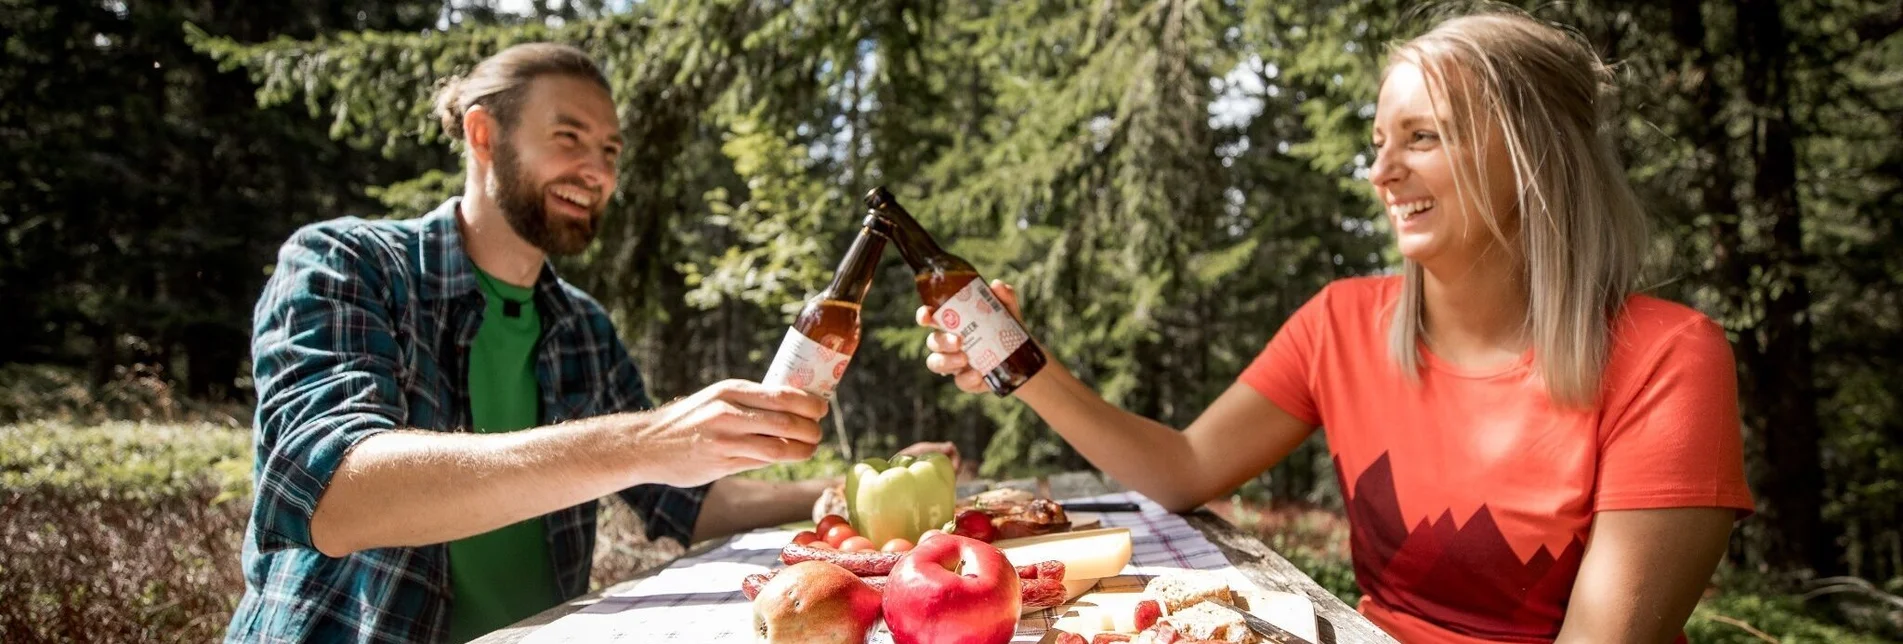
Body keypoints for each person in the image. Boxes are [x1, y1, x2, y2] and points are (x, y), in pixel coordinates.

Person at [919, 10, 1751, 644]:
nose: (1382, 172)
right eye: (1379, 140)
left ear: (1534, 158)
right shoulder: (1341, 322)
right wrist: (1018, 363)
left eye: (1423, 138)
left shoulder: (1667, 358)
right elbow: (1183, 469)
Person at [225, 43, 951, 643]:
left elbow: (685, 507)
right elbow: (334, 499)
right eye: (567, 138)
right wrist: (646, 439)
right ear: (484, 135)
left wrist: (856, 487)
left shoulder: (579, 325)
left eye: (609, 150)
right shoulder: (347, 264)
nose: (597, 172)